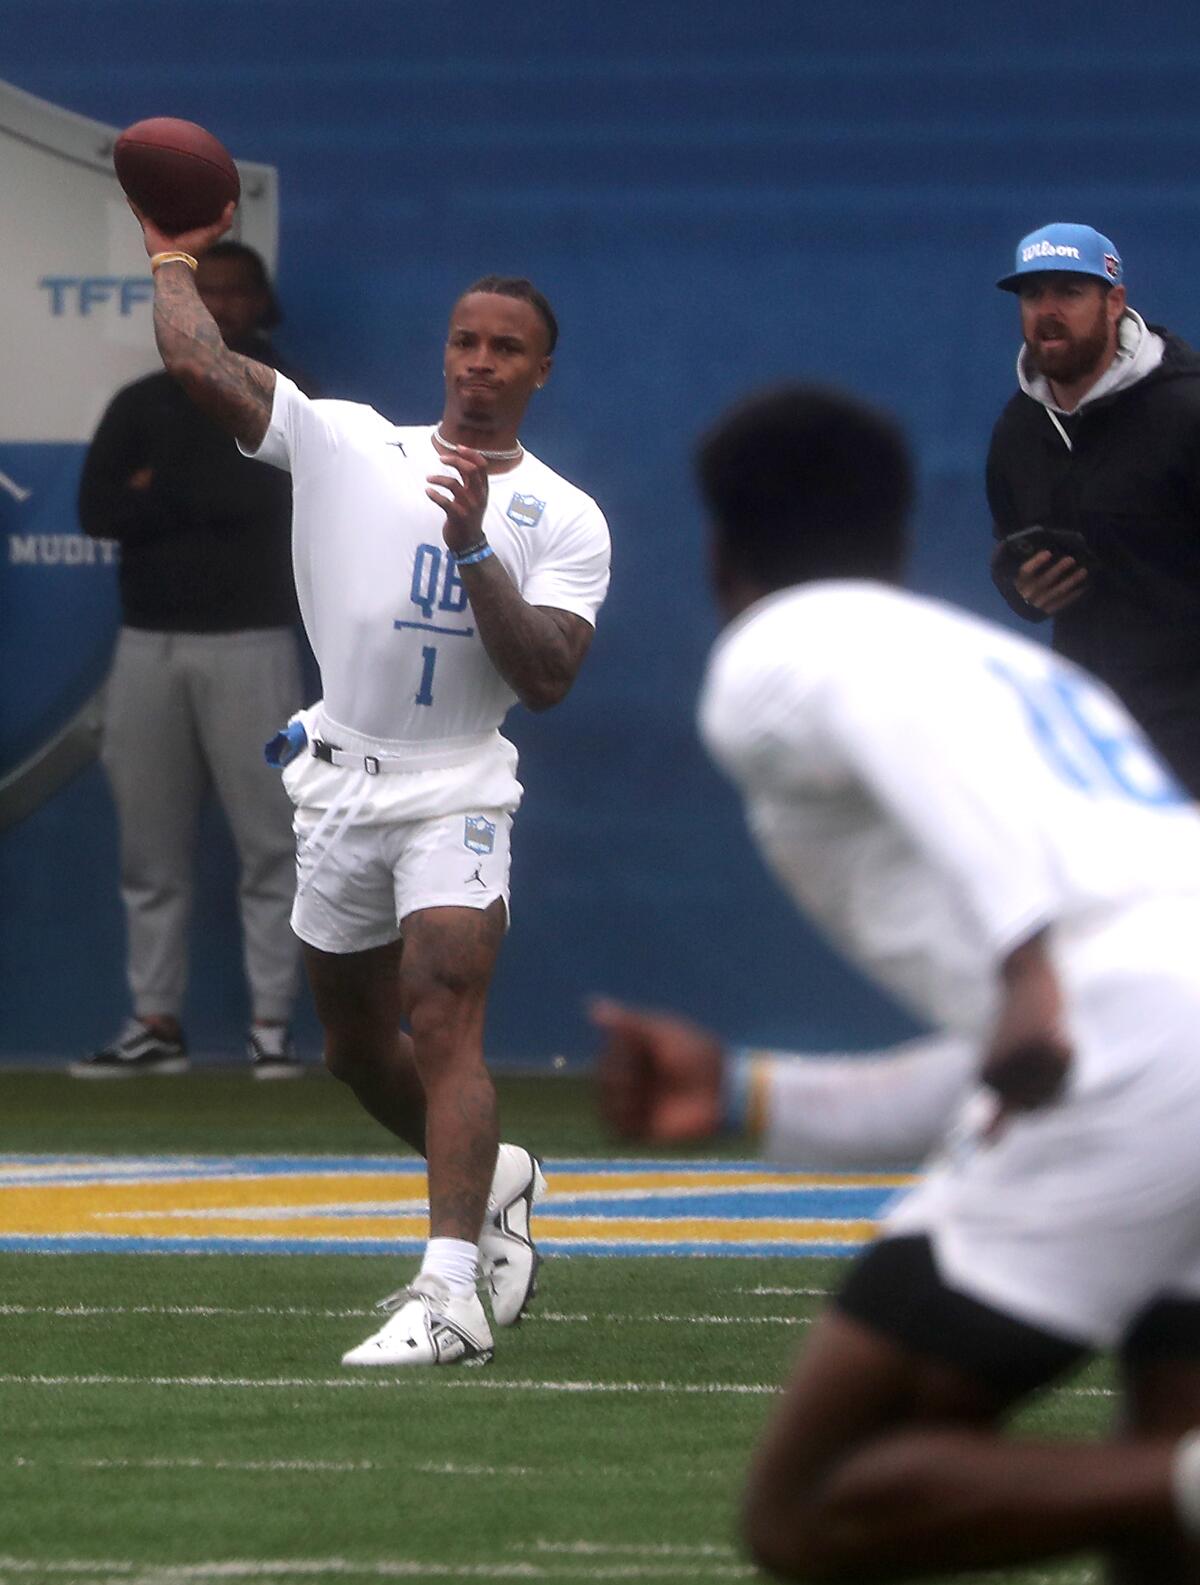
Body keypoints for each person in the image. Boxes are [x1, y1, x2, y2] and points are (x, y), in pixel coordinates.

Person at [596, 383, 1200, 1582]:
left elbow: (1086, 1007)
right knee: (1159, 1508)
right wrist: (751, 1097)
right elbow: (1086, 1022)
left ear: (721, 552)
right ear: (899, 537)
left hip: (1143, 1052)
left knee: (812, 1504)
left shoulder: (786, 643)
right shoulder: (1024, 677)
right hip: (1155, 1044)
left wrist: (1023, 958)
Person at [128, 197, 610, 1368]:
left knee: (444, 1013)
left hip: (460, 787)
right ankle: (496, 1179)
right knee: (354, 1049)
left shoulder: (566, 515)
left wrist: (477, 547)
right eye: (465, 340)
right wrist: (172, 255)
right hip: (339, 782)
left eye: (506, 348)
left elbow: (546, 677)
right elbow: (198, 361)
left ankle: (448, 1295)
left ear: (542, 370)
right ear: (444, 351)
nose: (480, 361)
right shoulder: (352, 442)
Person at [72, 241, 305, 1080]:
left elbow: (270, 499)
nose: (222, 307)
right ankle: (155, 1022)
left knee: (274, 843)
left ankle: (272, 1028)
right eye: (207, 293)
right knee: (151, 849)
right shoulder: (142, 401)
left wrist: (160, 492)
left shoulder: (287, 398)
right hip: (149, 644)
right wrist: (201, 493)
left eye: (238, 293)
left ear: (261, 304)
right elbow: (97, 508)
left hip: (253, 642)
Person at [988, 221, 1200, 795]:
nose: (1047, 310)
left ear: (1114, 302)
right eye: (1033, 295)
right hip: (1095, 745)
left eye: (1069, 292)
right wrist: (1022, 588)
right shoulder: (1017, 433)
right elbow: (1017, 548)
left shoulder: (1187, 411)